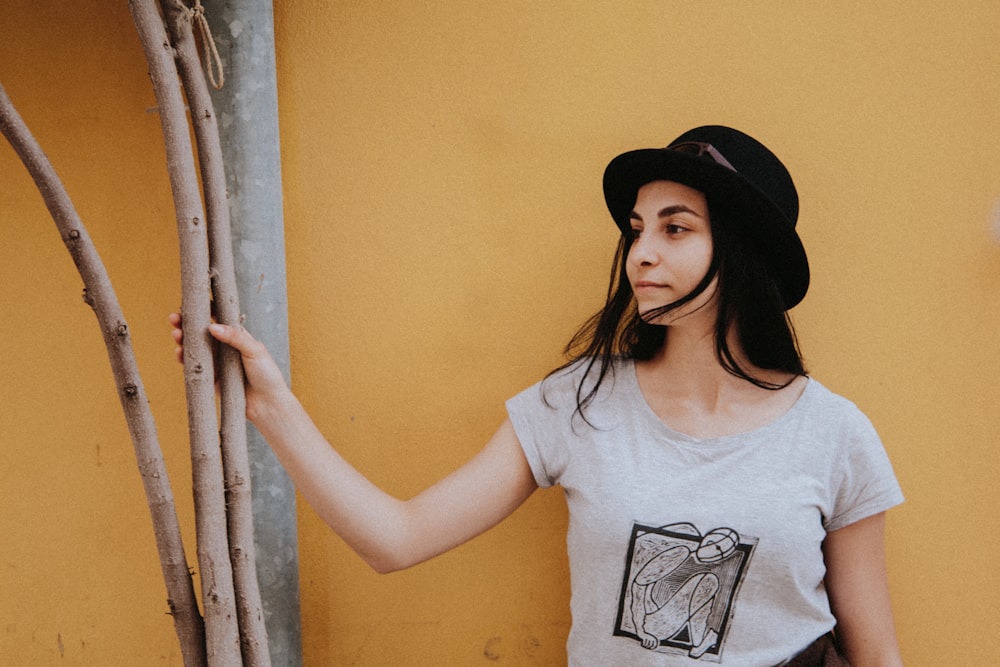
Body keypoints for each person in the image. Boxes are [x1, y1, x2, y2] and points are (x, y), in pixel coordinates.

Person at [170, 125, 904, 665]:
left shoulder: (833, 434)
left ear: (741, 254)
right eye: (637, 228)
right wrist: (269, 403)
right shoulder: (577, 405)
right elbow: (395, 538)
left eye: (675, 229)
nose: (641, 251)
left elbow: (875, 655)